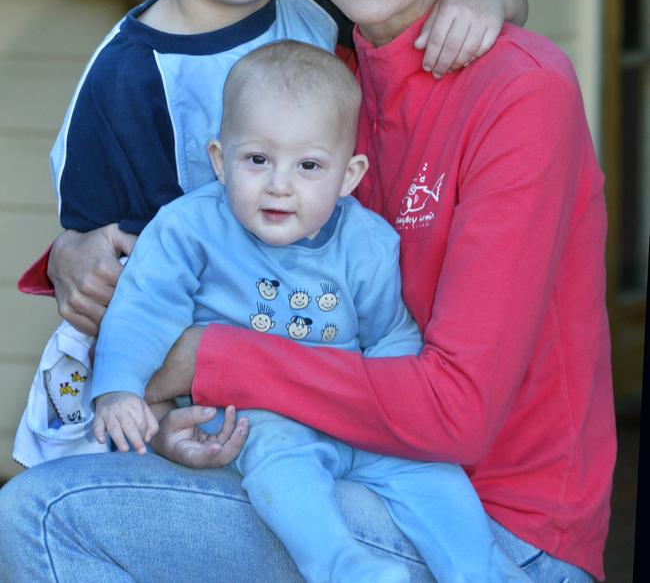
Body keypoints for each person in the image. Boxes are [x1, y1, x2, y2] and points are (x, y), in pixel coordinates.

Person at [0, 0, 547, 583]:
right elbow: (116, 278)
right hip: (170, 390)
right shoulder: (127, 81)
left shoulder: (316, 5)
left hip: (313, 363)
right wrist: (156, 417)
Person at [148, 0, 616, 581]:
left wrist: (209, 357)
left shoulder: (521, 90)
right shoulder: (320, 72)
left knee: (43, 510)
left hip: (502, 527)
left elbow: (456, 414)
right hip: (340, 464)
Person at [91, 40, 528, 583]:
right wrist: (118, 386)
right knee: (280, 469)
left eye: (309, 166)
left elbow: (390, 333)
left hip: (357, 415)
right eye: (257, 159)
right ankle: (343, 568)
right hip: (262, 417)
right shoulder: (188, 229)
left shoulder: (367, 241)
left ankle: (483, 572)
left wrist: (390, 416)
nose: (279, 184)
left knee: (435, 478)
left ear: (348, 176)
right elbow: (143, 309)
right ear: (219, 162)